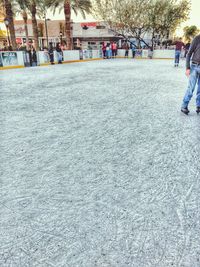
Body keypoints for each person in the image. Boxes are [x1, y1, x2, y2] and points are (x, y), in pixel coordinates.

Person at [181, 34, 200, 115]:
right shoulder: (197, 38)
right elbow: (189, 54)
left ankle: (198, 106)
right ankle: (184, 106)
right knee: (191, 88)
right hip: (194, 66)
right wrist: (188, 68)